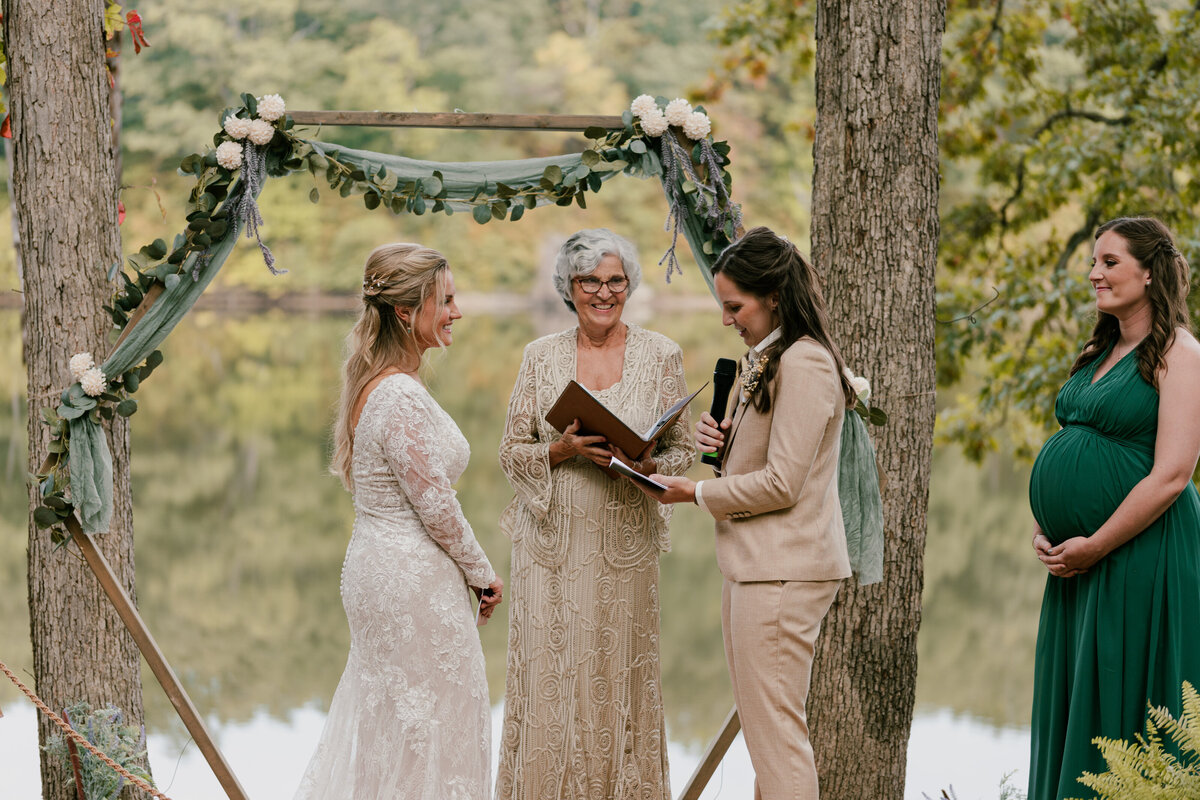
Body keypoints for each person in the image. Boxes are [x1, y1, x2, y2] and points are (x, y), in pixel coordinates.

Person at [649, 226, 855, 800]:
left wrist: (693, 494)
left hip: (783, 570)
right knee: (768, 735)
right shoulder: (769, 357)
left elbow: (785, 483)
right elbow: (764, 463)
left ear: (772, 297)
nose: (726, 319)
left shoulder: (806, 363)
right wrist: (725, 443)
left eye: (734, 306)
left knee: (777, 740)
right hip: (756, 565)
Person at [294, 243, 504, 800]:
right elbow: (437, 506)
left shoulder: (377, 384)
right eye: (447, 300)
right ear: (408, 313)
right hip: (409, 581)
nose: (456, 312)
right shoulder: (400, 396)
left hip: (382, 570)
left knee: (400, 729)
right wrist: (484, 574)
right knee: (429, 730)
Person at [494, 228, 695, 800]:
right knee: (551, 682)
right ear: (569, 287)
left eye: (614, 281)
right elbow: (510, 452)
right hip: (550, 548)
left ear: (628, 284)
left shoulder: (663, 354)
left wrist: (652, 460)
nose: (603, 293)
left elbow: (684, 451)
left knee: (619, 678)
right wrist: (562, 450)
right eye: (589, 281)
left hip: (623, 548)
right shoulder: (539, 357)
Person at [1028, 217, 1200, 799]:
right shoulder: (1097, 348)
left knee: (1122, 689)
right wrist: (1045, 525)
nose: (1094, 274)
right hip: (1076, 559)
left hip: (1137, 552)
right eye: (1094, 263)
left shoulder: (1181, 352)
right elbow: (1071, 440)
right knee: (1078, 690)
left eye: (1109, 262)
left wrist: (1097, 543)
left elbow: (1174, 474)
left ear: (1150, 272)